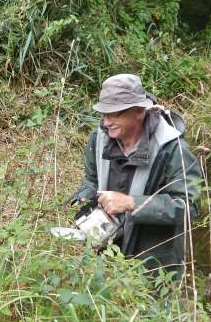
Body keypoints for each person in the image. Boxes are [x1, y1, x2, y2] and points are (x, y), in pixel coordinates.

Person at [69, 74, 202, 278]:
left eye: (114, 114)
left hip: (154, 264)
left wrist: (131, 203)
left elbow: (189, 206)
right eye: (104, 114)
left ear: (139, 112)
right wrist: (84, 196)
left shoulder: (174, 149)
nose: (106, 122)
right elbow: (92, 179)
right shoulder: (98, 138)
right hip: (107, 253)